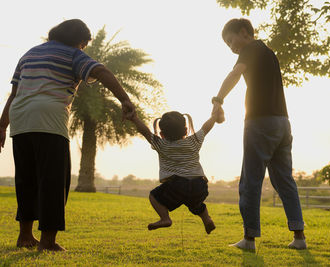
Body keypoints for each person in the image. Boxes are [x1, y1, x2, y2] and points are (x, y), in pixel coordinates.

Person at [0, 19, 135, 252]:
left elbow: (14, 93)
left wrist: (2, 126)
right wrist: (125, 99)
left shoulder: (29, 54)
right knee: (54, 181)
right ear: (78, 41)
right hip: (49, 117)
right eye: (83, 44)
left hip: (20, 119)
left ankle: (25, 237)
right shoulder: (73, 54)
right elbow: (101, 71)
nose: (83, 49)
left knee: (27, 180)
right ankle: (48, 242)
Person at [211, 18, 306, 251]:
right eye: (227, 45)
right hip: (282, 123)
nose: (231, 47)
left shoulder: (250, 49)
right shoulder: (269, 53)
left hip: (260, 122)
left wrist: (218, 100)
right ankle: (299, 237)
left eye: (231, 41)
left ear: (244, 33)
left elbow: (235, 74)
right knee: (285, 181)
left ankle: (249, 239)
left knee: (250, 181)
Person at [129, 109, 223, 234]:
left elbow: (145, 132)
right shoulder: (194, 141)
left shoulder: (161, 144)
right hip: (199, 185)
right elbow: (206, 128)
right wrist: (214, 116)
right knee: (196, 204)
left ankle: (165, 218)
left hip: (177, 185)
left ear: (162, 134)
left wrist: (134, 118)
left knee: (154, 196)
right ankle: (206, 219)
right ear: (185, 130)